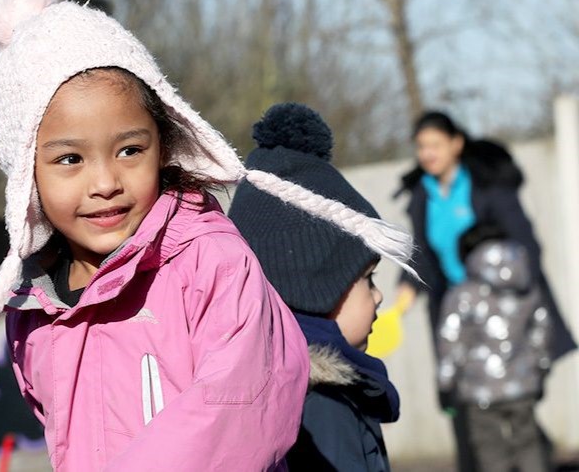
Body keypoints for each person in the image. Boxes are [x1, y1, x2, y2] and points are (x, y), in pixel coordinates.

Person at [0, 0, 417, 471]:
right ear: (25, 174)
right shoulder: (35, 306)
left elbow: (243, 408)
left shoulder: (211, 262)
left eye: (129, 149)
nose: (105, 181)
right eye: (69, 160)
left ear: (165, 142)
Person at [229, 103, 418, 471]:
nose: (378, 295)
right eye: (367, 279)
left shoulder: (302, 390)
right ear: (312, 286)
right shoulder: (320, 405)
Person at [394, 110, 576, 471]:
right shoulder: (422, 196)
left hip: (505, 317)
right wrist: (404, 296)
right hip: (458, 318)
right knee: (468, 413)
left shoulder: (486, 185)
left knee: (515, 408)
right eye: (420, 147)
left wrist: (502, 293)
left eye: (435, 144)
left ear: (456, 143)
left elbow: (527, 248)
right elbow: (423, 258)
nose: (427, 153)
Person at [437, 222, 553, 472]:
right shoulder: (528, 289)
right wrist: (540, 368)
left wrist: (445, 385)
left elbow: (451, 343)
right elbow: (541, 332)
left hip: (478, 390)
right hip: (523, 385)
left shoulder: (462, 295)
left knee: (490, 450)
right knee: (529, 445)